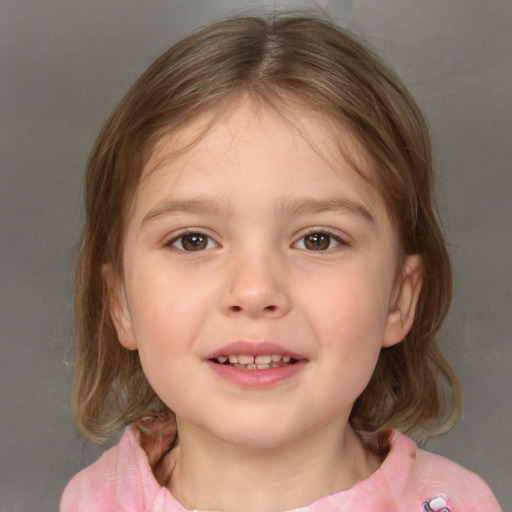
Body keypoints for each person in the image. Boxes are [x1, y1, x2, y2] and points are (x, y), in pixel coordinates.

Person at [60, 13, 501, 512]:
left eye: (317, 240)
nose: (254, 291)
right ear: (120, 301)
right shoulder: (91, 501)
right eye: (192, 241)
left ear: (400, 297)